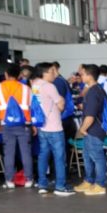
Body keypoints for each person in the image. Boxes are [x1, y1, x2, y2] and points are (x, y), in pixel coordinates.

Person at [31, 62, 73, 196]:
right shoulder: (49, 86)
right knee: (59, 157)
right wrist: (61, 102)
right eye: (52, 71)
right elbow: (60, 105)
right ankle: (60, 186)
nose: (54, 74)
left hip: (42, 127)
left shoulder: (35, 85)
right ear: (44, 73)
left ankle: (42, 184)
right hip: (54, 126)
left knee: (43, 155)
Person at [0, 64, 34, 188]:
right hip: (24, 124)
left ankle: (9, 180)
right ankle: (29, 179)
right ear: (19, 75)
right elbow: (31, 105)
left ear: (6, 74)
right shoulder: (26, 88)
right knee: (26, 153)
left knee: (9, 153)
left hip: (6, 124)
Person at [76, 64, 107, 196]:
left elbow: (90, 116)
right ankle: (89, 181)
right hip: (92, 129)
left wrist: (82, 129)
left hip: (94, 130)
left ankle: (100, 185)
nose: (81, 76)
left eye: (83, 74)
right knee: (87, 156)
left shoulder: (94, 92)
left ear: (89, 76)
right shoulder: (96, 89)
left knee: (97, 157)